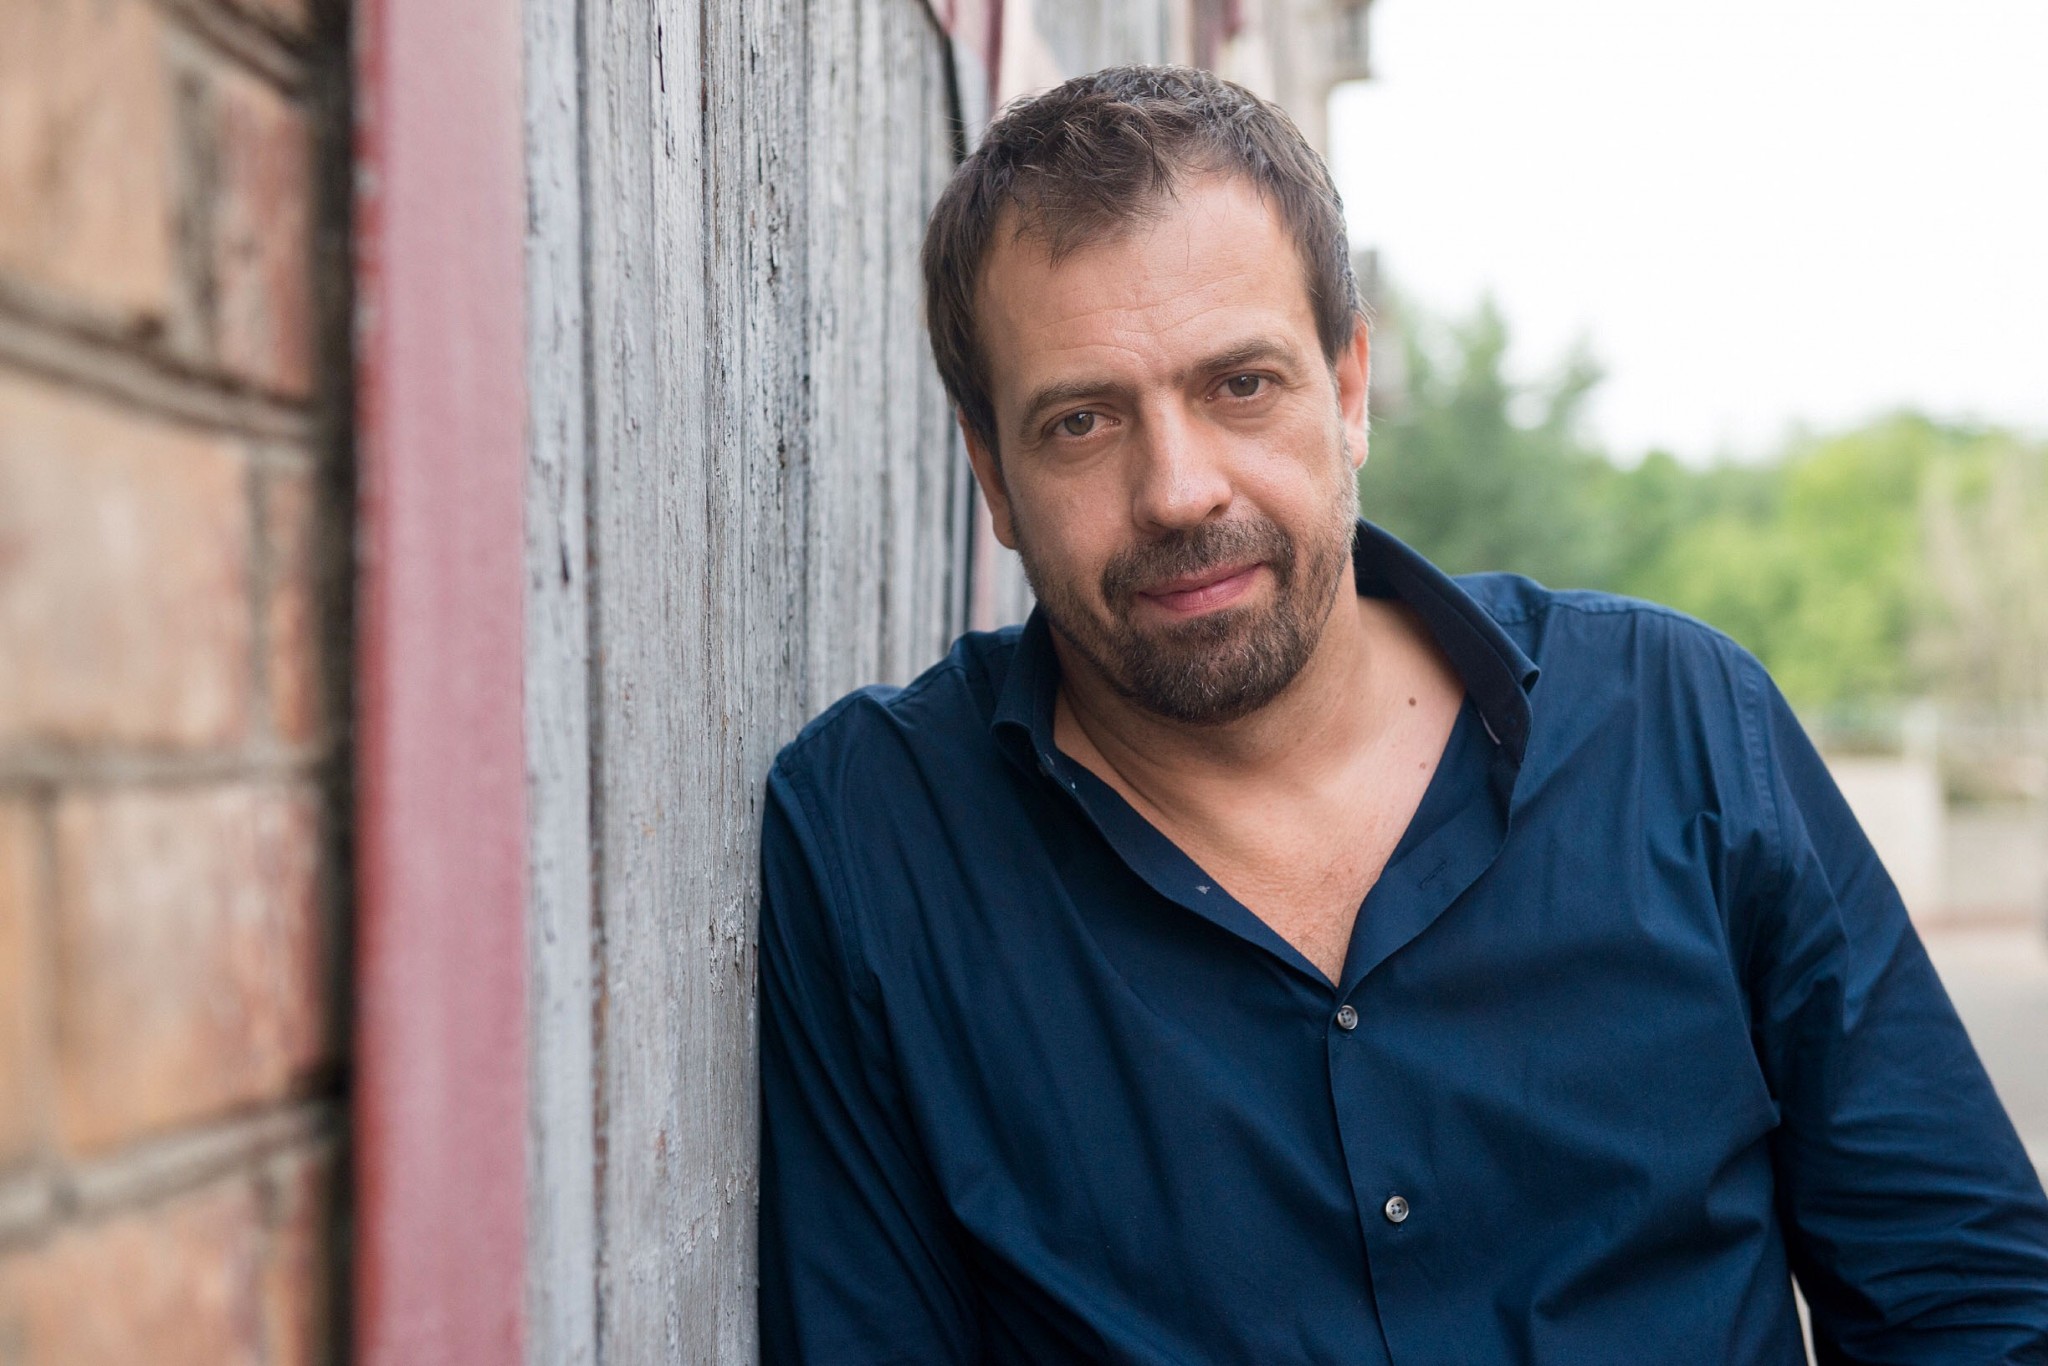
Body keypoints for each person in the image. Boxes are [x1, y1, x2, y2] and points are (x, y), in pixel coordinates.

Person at [757, 65, 2048, 1363]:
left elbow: (1972, 1307)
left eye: (1240, 384)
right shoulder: (876, 838)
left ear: (1350, 388)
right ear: (991, 471)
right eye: (1082, 421)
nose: (1179, 490)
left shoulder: (1683, 729)